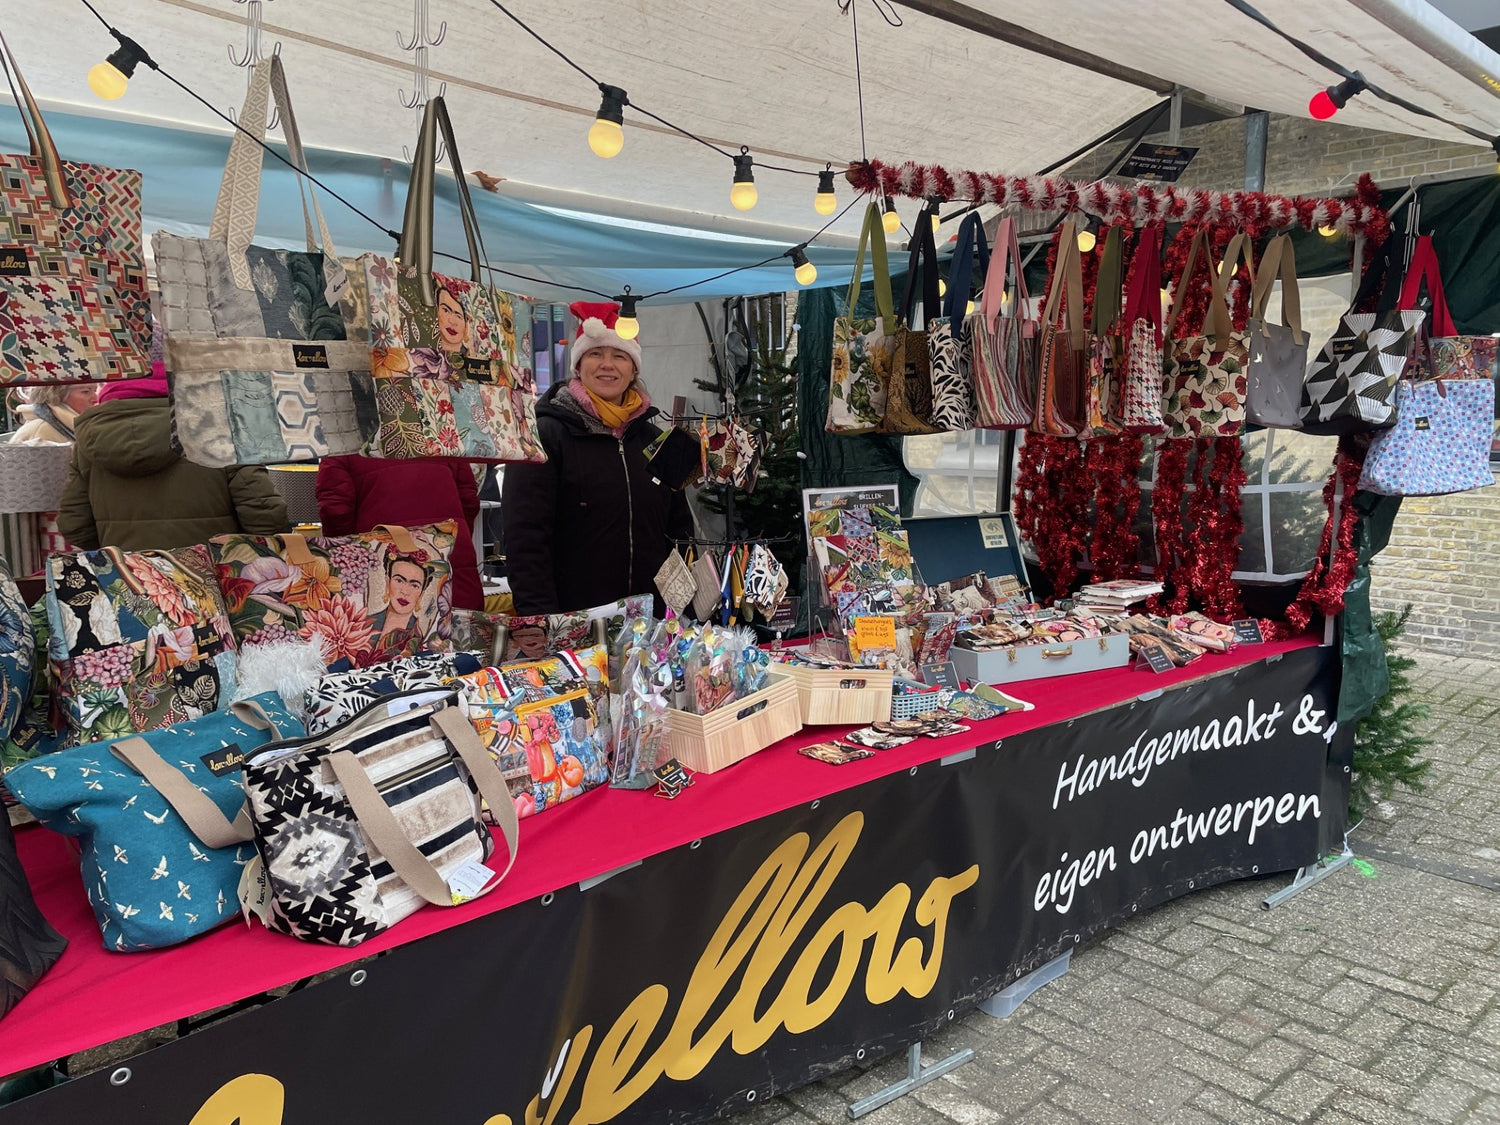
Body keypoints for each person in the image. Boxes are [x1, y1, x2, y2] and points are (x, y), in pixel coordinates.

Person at [502, 301, 693, 615]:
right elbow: (525, 538)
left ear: (633, 369)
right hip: (575, 620)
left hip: (653, 623)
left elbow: (680, 531)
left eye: (619, 356)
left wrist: (680, 610)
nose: (607, 365)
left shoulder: (655, 439)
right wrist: (540, 619)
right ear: (578, 365)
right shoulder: (544, 435)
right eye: (595, 354)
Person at [56, 367, 287, 551]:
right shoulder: (221, 427)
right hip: (213, 579)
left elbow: (74, 524)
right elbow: (264, 515)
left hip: (128, 582)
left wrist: (121, 553)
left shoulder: (89, 441)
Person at [314, 454, 482, 610]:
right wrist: (458, 536)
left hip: (380, 556)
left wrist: (344, 555)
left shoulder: (343, 441)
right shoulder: (438, 435)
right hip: (450, 552)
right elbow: (468, 498)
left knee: (386, 625)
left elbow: (335, 510)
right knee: (465, 625)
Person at [362, 551, 434, 665]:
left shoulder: (421, 637)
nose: (405, 591)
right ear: (388, 582)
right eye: (399, 580)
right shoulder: (363, 625)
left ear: (421, 593)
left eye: (414, 585)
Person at [10, 383, 97, 443]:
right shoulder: (42, 431)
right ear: (58, 394)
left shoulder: (64, 424)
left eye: (95, 391)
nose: (95, 398)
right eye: (86, 392)